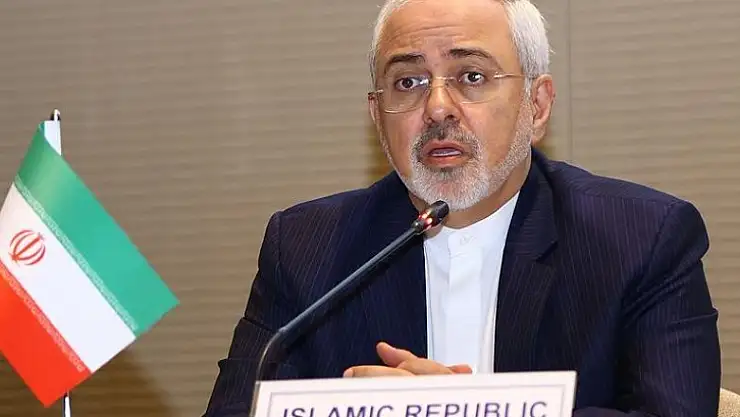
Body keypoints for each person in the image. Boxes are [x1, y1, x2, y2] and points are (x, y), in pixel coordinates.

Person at [204, 0, 721, 415]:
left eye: (471, 76)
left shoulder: (642, 239)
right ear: (378, 116)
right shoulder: (304, 249)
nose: (436, 108)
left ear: (537, 105)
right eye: (408, 82)